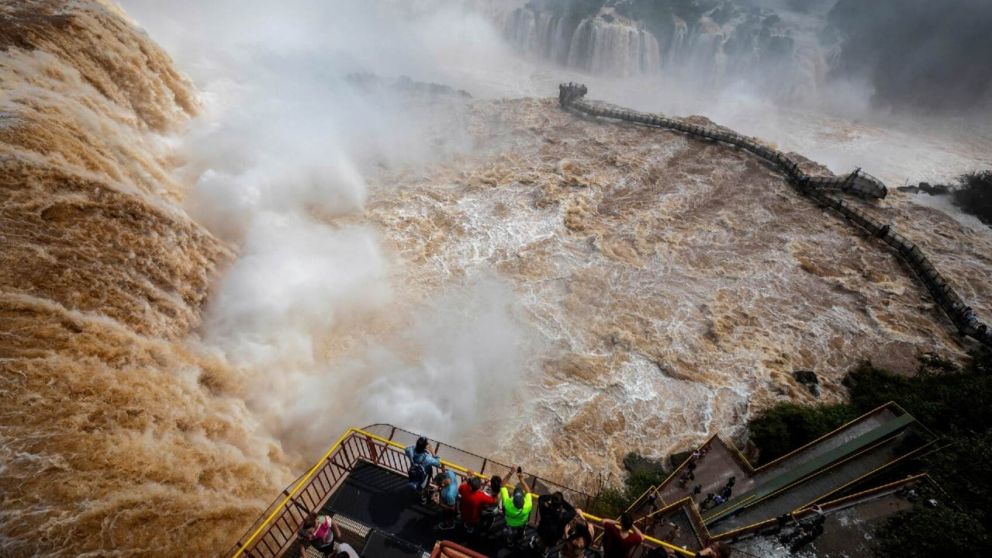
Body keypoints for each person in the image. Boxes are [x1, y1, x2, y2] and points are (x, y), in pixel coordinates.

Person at [500, 466, 535, 547]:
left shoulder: (507, 504)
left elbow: (502, 485)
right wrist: (521, 479)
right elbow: (528, 492)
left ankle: (510, 542)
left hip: (510, 523)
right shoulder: (527, 505)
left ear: (513, 497)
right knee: (521, 531)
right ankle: (521, 537)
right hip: (522, 523)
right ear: (523, 500)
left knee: (509, 533)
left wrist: (511, 473)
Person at [405, 436, 441, 503]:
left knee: (415, 483)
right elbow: (438, 463)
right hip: (423, 476)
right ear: (425, 447)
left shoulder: (410, 451)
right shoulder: (427, 458)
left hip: (414, 472)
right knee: (423, 487)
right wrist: (432, 452)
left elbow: (407, 449)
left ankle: (415, 489)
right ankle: (423, 498)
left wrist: (418, 447)